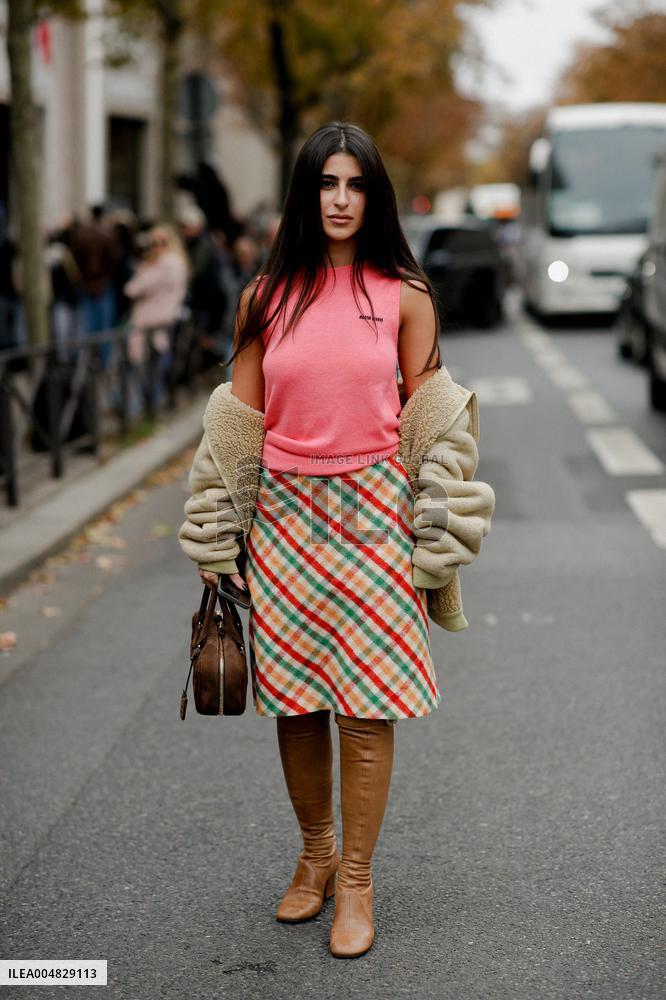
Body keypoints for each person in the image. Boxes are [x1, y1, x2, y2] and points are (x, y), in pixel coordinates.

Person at [178, 121, 495, 958]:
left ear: (374, 194)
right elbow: (237, 425)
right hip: (284, 522)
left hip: (374, 516)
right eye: (327, 184)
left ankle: (355, 878)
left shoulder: (406, 296)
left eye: (356, 185)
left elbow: (432, 421)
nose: (342, 200)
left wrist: (438, 515)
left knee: (365, 708)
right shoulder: (264, 298)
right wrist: (220, 527)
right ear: (306, 194)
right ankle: (313, 857)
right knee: (295, 701)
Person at [123, 224, 189, 412]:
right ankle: (151, 408)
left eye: (161, 242)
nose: (157, 246)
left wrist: (146, 268)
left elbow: (133, 288)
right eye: (153, 242)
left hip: (154, 322)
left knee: (152, 369)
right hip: (157, 321)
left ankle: (149, 409)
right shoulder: (171, 263)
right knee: (154, 367)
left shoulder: (168, 263)